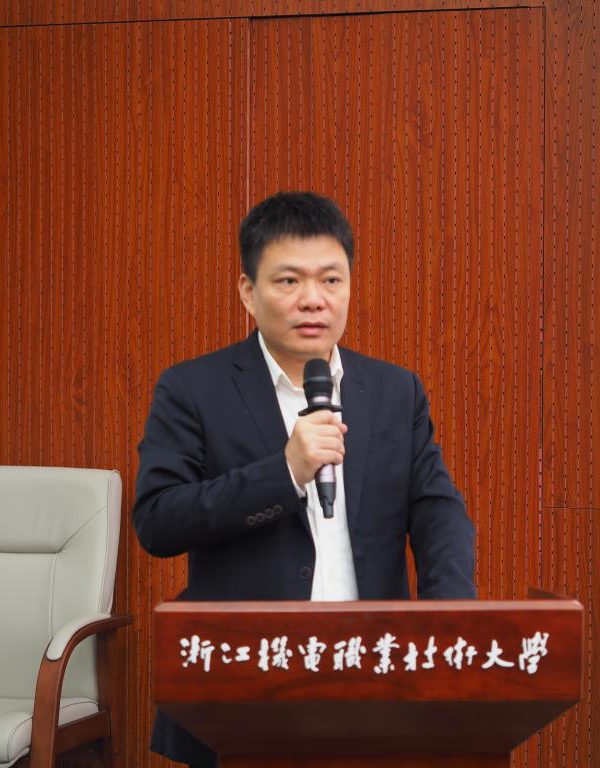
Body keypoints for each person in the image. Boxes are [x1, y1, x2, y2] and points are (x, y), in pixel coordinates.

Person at [133, 191, 476, 767]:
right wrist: (285, 472)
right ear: (248, 291)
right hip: (247, 681)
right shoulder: (192, 388)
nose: (313, 299)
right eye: (289, 280)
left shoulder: (395, 391)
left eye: (331, 280)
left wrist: (448, 620)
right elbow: (158, 520)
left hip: (370, 670)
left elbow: (437, 509)